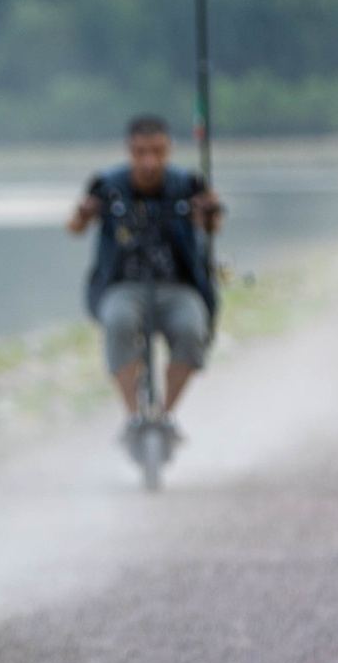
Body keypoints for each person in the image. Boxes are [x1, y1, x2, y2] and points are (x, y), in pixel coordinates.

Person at [68, 114, 224, 446]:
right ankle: (134, 416)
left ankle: (165, 416)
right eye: (141, 152)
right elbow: (75, 226)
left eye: (157, 151)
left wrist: (209, 212)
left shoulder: (188, 184)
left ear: (168, 150)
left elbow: (213, 227)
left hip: (178, 285)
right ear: (130, 151)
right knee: (118, 322)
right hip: (122, 285)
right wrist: (84, 213)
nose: (149, 161)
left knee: (193, 329)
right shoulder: (107, 184)